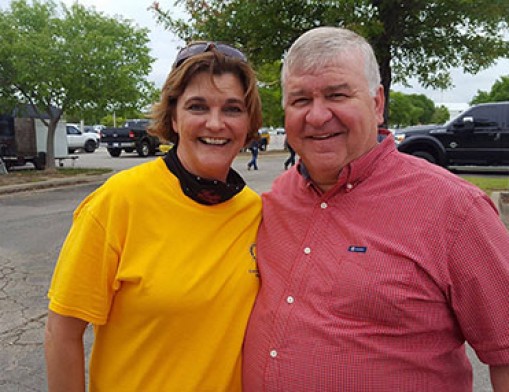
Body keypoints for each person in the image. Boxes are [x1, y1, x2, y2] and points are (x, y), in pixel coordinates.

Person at [243, 26, 509, 392]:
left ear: (377, 102)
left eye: (337, 94)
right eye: (300, 100)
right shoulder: (275, 199)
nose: (317, 116)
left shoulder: (456, 210)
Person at [45, 41, 263, 391]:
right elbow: (62, 333)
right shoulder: (118, 202)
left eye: (233, 109)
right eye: (197, 106)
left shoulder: (255, 212)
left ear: (248, 122)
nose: (215, 122)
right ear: (174, 117)